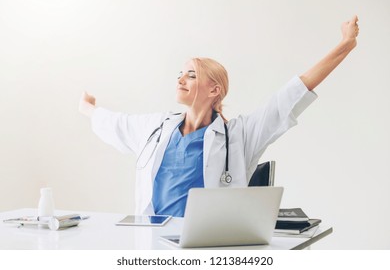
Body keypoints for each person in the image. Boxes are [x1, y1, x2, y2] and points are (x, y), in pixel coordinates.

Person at [79, 16, 359, 217]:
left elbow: (291, 95)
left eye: (191, 74)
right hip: (154, 239)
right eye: (180, 74)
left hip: (209, 246)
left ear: (215, 89)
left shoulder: (240, 136)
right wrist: (89, 108)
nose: (180, 79)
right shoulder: (156, 128)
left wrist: (345, 44)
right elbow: (115, 124)